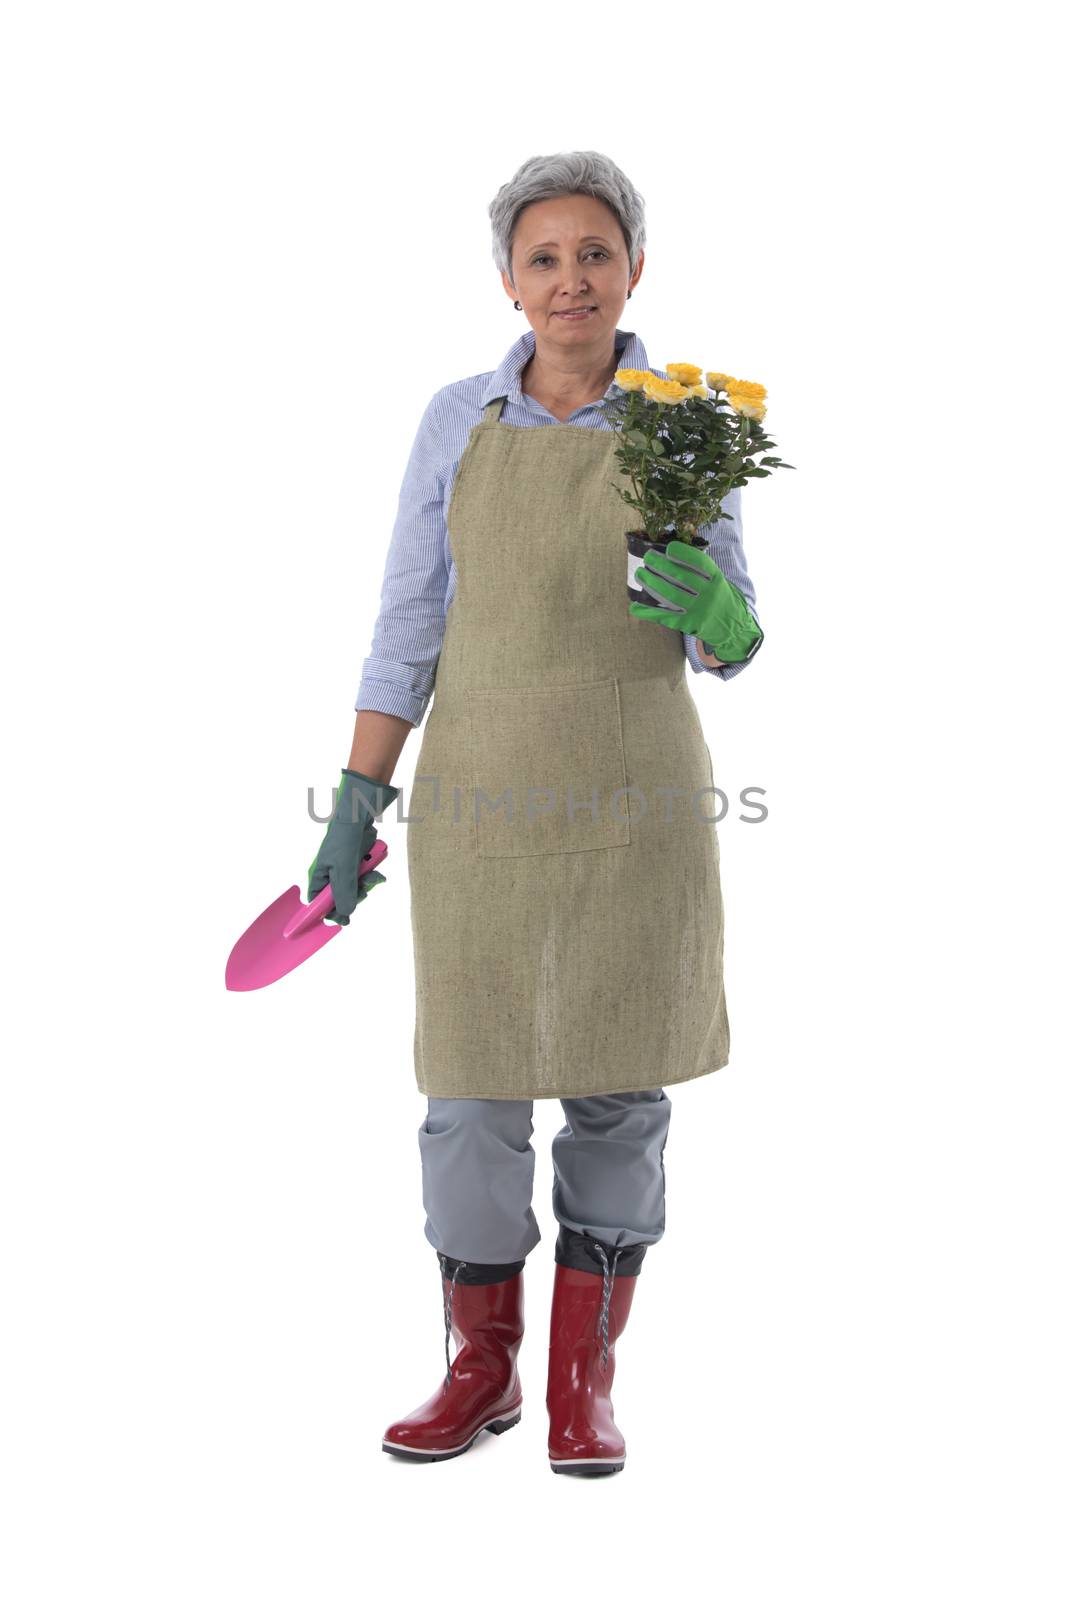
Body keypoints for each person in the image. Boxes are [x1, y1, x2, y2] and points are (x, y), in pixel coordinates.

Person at [309, 151, 763, 1476]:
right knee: (471, 1088)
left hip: (638, 799)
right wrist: (354, 800)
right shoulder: (457, 419)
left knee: (622, 1084)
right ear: (508, 281)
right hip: (481, 801)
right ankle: (478, 1366)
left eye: (596, 254)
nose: (572, 279)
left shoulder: (686, 421)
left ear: (635, 270)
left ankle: (584, 1379)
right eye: (545, 258)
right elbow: (408, 619)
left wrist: (720, 615)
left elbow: (729, 640)